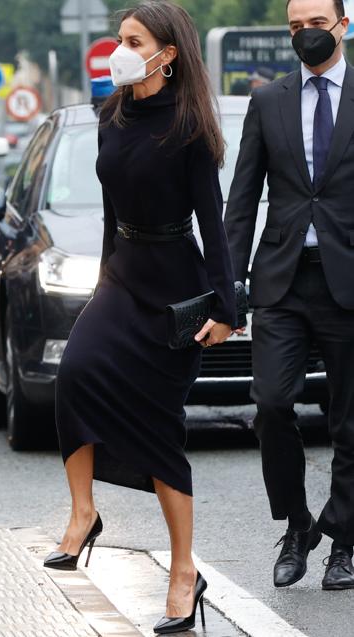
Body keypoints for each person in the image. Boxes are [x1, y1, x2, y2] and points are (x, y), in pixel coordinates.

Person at [44, 1, 236, 632]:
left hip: (174, 286)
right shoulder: (111, 115)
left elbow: (214, 224)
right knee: (74, 374)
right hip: (121, 276)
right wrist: (103, 276)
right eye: (117, 36)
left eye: (132, 39)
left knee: (159, 431)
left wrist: (229, 307)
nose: (118, 48)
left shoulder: (189, 128)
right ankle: (83, 515)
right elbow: (108, 209)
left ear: (167, 53)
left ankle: (185, 573)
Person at [225, 0, 354, 591]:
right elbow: (243, 195)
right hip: (280, 278)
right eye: (296, 26)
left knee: (349, 420)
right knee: (272, 404)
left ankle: (345, 541)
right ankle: (298, 525)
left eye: (316, 24)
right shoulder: (268, 99)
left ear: (344, 25)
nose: (305, 35)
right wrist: (230, 281)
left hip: (348, 279)